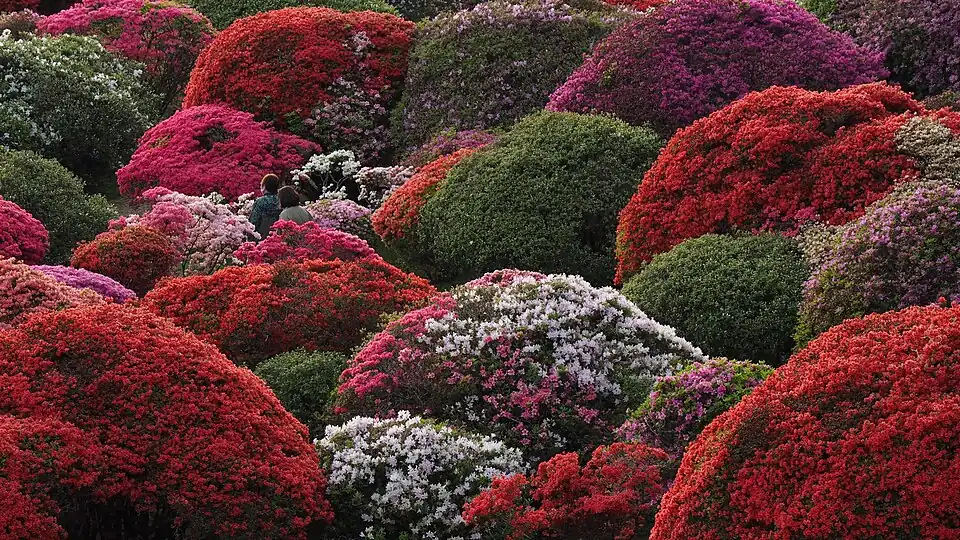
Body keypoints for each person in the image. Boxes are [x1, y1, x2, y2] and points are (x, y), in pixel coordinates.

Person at [250, 174, 281, 239]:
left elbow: (253, 222)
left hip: (261, 236)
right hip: (277, 234)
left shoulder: (260, 201)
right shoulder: (280, 199)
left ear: (264, 186)